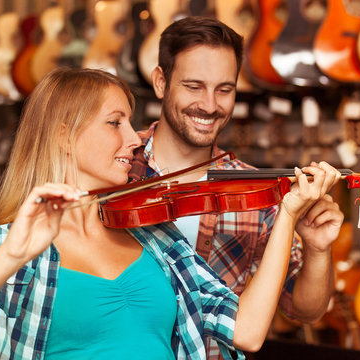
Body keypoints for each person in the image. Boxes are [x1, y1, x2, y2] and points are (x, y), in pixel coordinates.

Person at [0, 68, 342, 359]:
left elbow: (247, 331)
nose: (132, 139)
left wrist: (288, 213)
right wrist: (10, 257)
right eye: (114, 122)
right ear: (62, 135)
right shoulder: (1, 244)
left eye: (129, 122)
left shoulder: (156, 238)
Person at [130, 16, 344, 358]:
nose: (210, 105)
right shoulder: (117, 167)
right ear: (160, 82)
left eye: (224, 89)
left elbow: (304, 310)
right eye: (193, 86)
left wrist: (319, 250)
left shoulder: (256, 191)